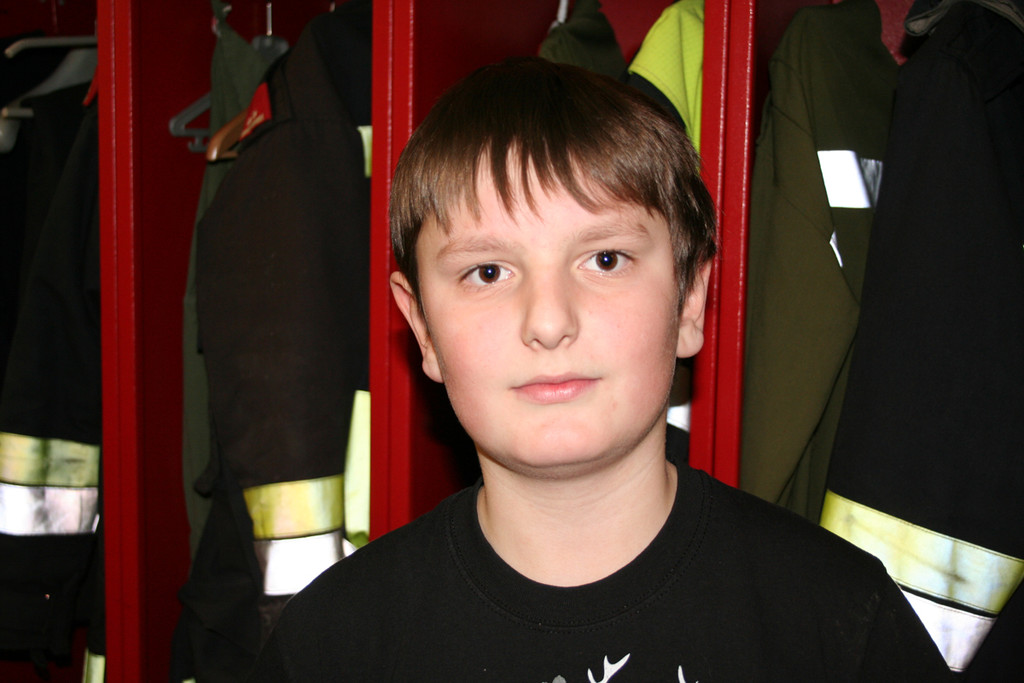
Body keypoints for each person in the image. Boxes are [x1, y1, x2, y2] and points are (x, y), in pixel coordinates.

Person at [247, 57, 951, 681]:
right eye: (488, 271)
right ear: (422, 327)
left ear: (690, 301)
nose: (549, 320)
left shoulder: (840, 621)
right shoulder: (331, 645)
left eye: (605, 259)